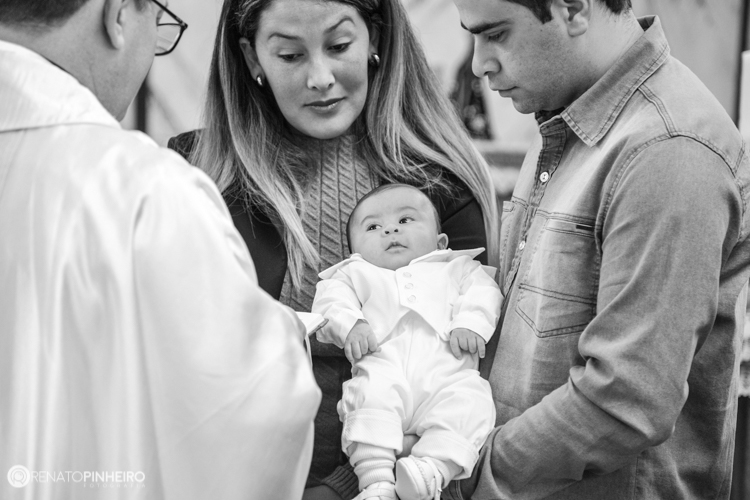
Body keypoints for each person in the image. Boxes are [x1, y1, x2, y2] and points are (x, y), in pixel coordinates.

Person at [167, 0, 500, 498]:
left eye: (339, 45)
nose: (320, 77)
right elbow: (177, 373)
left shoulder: (441, 185)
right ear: (252, 57)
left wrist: (341, 489)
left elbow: (456, 381)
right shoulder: (197, 173)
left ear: (375, 39)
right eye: (290, 55)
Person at [0, 1, 320, 499]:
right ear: (118, 15)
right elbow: (248, 415)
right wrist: (292, 334)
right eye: (158, 23)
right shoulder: (141, 193)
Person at [442, 0, 750, 498]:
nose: (478, 64)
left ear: (573, 9)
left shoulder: (668, 150)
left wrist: (462, 474)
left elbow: (625, 399)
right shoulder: (568, 119)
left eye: (495, 34)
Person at [312, 184, 501, 500]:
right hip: (383, 365)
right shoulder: (354, 273)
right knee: (368, 396)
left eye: (405, 220)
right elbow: (331, 302)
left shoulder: (458, 267)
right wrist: (352, 325)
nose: (390, 230)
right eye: (373, 227)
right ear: (355, 252)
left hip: (449, 373)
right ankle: (376, 482)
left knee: (471, 403)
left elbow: (485, 292)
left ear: (440, 242)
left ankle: (430, 472)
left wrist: (471, 322)